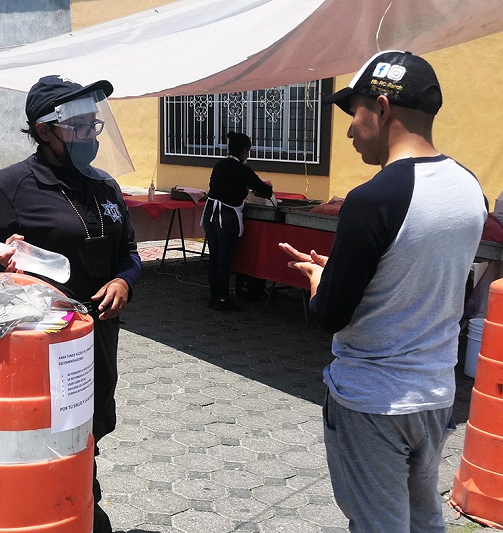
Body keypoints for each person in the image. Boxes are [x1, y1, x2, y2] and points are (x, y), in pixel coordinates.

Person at [280, 51, 487, 532]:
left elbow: (330, 314)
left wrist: (319, 281)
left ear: (381, 107)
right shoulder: (468, 187)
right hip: (435, 392)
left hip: (374, 400)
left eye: (353, 114)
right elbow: (421, 270)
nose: (350, 132)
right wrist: (347, 270)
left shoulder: (372, 199)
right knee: (423, 518)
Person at [0, 75, 140, 533]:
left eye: (94, 125)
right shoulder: (11, 186)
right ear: (44, 130)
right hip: (43, 343)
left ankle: (78, 498)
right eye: (78, 127)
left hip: (98, 335)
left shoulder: (104, 186)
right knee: (50, 429)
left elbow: (130, 252)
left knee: (92, 423)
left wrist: (124, 280)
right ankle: (61, 508)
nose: (90, 136)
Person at [201, 132, 273, 311]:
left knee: (214, 258)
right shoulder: (243, 170)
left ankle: (214, 296)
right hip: (227, 217)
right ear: (245, 150)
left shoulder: (219, 166)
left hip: (210, 214)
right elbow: (265, 190)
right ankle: (223, 299)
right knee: (225, 260)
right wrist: (263, 188)